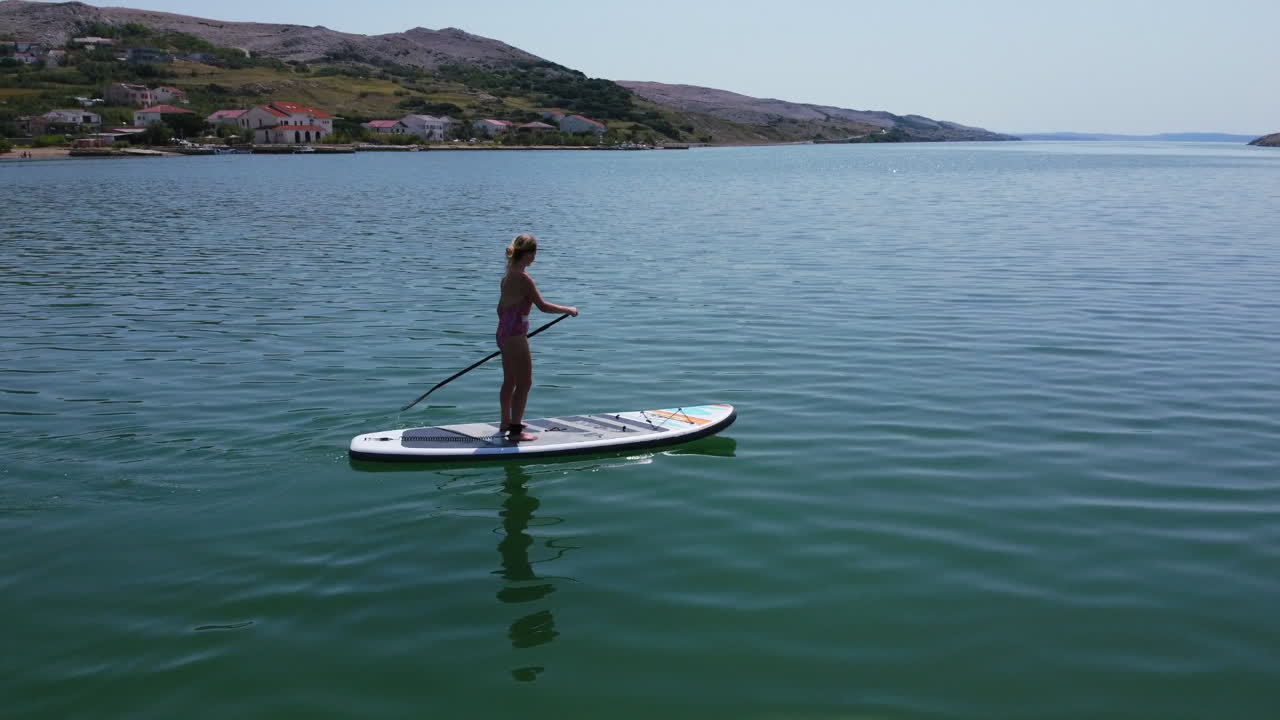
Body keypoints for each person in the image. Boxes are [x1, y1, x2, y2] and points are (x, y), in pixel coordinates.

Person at [496, 234, 578, 441]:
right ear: (528, 254)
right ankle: (515, 432)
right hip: (515, 337)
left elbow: (500, 309)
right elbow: (542, 306)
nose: (535, 257)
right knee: (525, 383)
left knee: (510, 381)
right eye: (535, 253)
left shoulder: (506, 277)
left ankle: (506, 421)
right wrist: (568, 309)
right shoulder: (523, 279)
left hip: (503, 334)